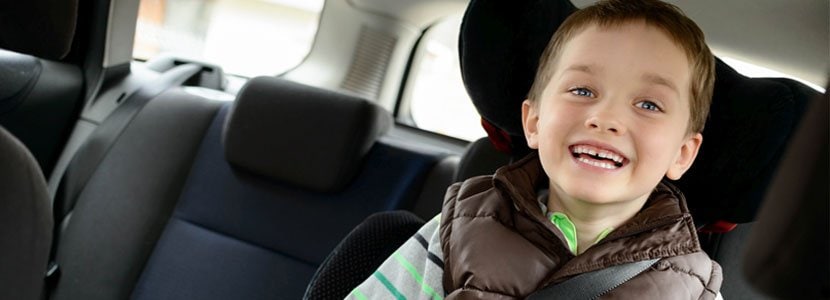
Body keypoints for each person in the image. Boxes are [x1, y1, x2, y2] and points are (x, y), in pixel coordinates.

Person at [347, 0, 722, 298]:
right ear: (534, 122)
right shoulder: (458, 229)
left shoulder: (693, 288)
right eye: (583, 91)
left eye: (649, 105)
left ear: (683, 153)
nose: (606, 118)